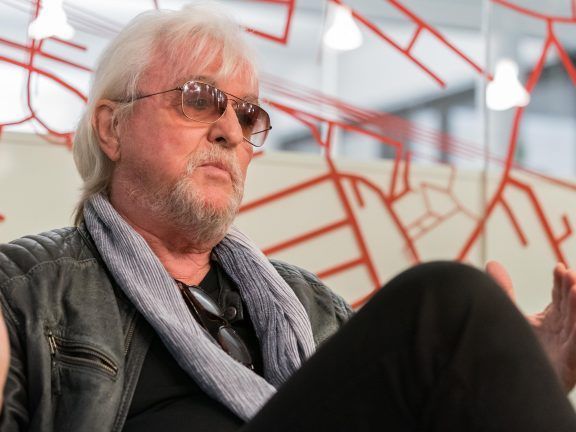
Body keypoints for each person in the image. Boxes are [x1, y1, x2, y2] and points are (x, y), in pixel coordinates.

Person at [0, 4, 575, 431]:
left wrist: (518, 380)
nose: (230, 130)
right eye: (198, 98)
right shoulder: (27, 290)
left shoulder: (310, 307)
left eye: (248, 115)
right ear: (112, 128)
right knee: (447, 302)